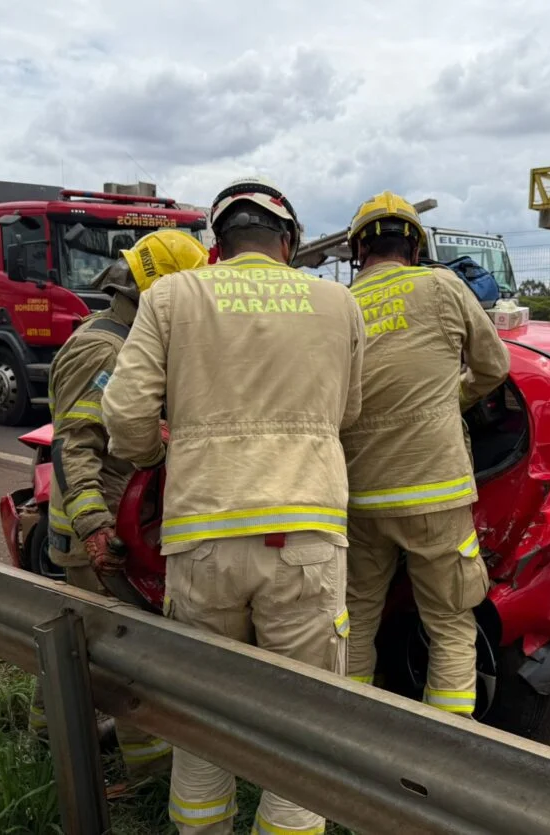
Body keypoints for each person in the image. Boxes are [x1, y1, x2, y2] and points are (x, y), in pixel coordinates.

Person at [102, 176, 365, 835]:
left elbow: (127, 415)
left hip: (202, 538)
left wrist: (161, 455)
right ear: (288, 242)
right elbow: (349, 412)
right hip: (306, 535)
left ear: (218, 243)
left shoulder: (173, 296)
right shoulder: (337, 303)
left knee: (201, 720)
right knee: (302, 728)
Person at [29, 228, 209, 781]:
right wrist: (94, 525)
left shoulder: (125, 337)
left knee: (85, 643)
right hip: (98, 534)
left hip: (104, 526)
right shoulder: (107, 348)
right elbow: (75, 442)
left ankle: (47, 734)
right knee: (129, 662)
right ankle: (150, 777)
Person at [340, 191, 511, 718]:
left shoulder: (339, 303)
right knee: (451, 624)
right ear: (414, 246)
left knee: (357, 618)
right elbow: (494, 366)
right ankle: (449, 748)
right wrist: (451, 400)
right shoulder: (442, 286)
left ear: (358, 251)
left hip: (360, 491)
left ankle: (348, 731)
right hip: (436, 488)